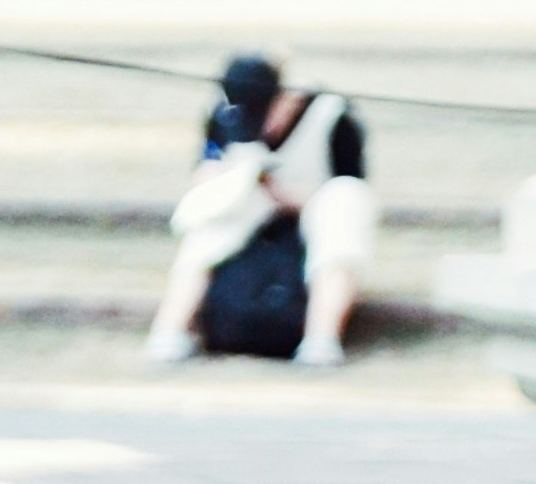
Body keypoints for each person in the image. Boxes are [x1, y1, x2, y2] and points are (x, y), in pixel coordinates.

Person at [148, 53, 375, 369]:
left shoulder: (332, 116)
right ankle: (169, 331)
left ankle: (321, 338)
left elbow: (353, 183)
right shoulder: (224, 111)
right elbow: (207, 165)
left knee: (344, 203)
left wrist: (288, 197)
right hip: (251, 204)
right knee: (212, 217)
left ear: (286, 99)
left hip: (315, 204)